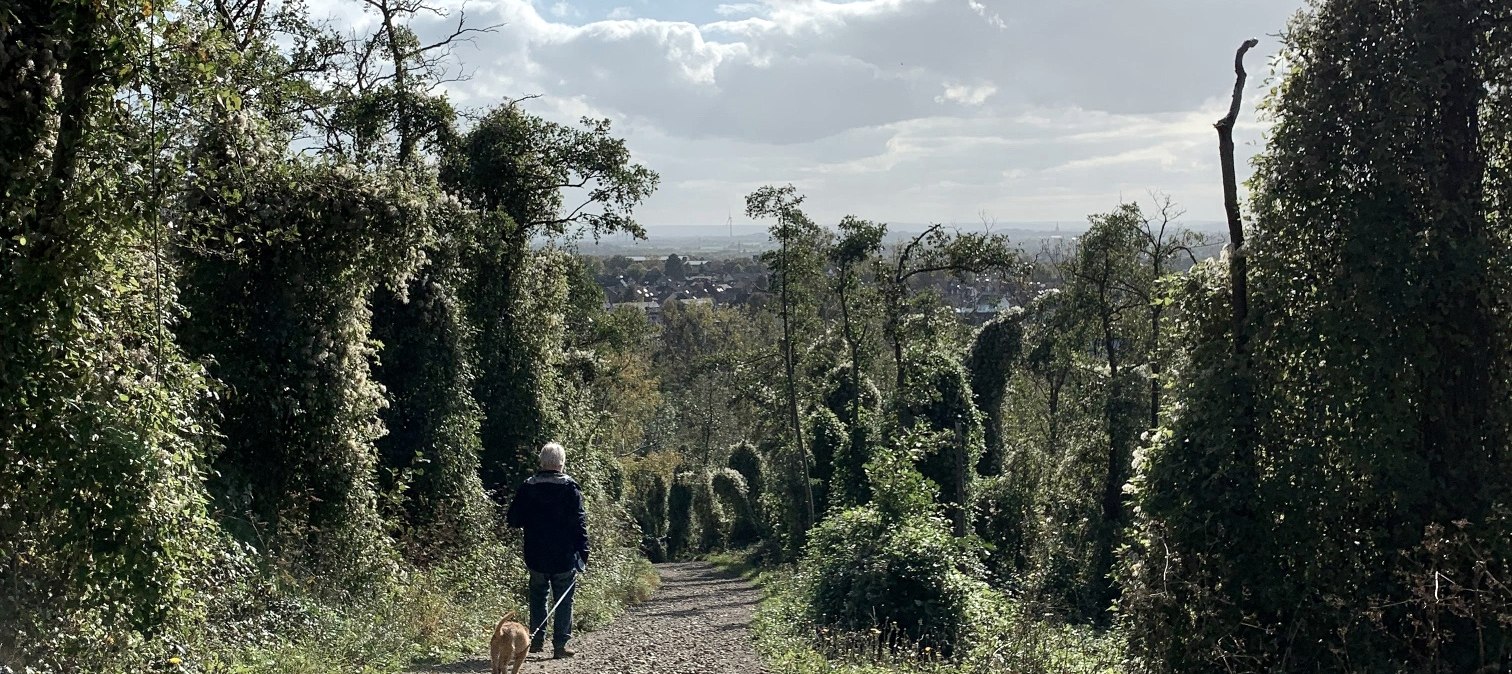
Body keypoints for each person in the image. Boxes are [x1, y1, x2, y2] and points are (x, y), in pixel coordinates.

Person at [505, 442, 589, 659]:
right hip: (564, 555)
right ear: (562, 463)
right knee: (564, 598)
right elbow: (579, 523)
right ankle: (560, 645)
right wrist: (583, 551)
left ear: (541, 462)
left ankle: (534, 641)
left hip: (535, 553)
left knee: (538, 594)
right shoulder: (571, 488)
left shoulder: (528, 486)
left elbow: (513, 519)